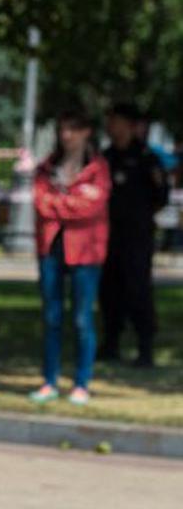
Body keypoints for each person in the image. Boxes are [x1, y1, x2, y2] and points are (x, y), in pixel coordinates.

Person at [30, 110, 110, 405]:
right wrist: (72, 201)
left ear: (86, 132)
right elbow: (41, 203)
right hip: (51, 248)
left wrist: (60, 203)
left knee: (81, 318)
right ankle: (49, 381)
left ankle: (81, 383)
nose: (67, 135)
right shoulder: (47, 167)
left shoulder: (98, 168)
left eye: (74, 129)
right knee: (51, 317)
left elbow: (92, 207)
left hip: (86, 251)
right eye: (64, 129)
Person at [97, 103, 168, 367]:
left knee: (137, 289)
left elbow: (160, 196)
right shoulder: (106, 157)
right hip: (108, 235)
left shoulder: (147, 158)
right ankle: (111, 342)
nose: (110, 127)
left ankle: (145, 346)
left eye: (115, 121)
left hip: (137, 237)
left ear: (129, 125)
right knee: (109, 289)